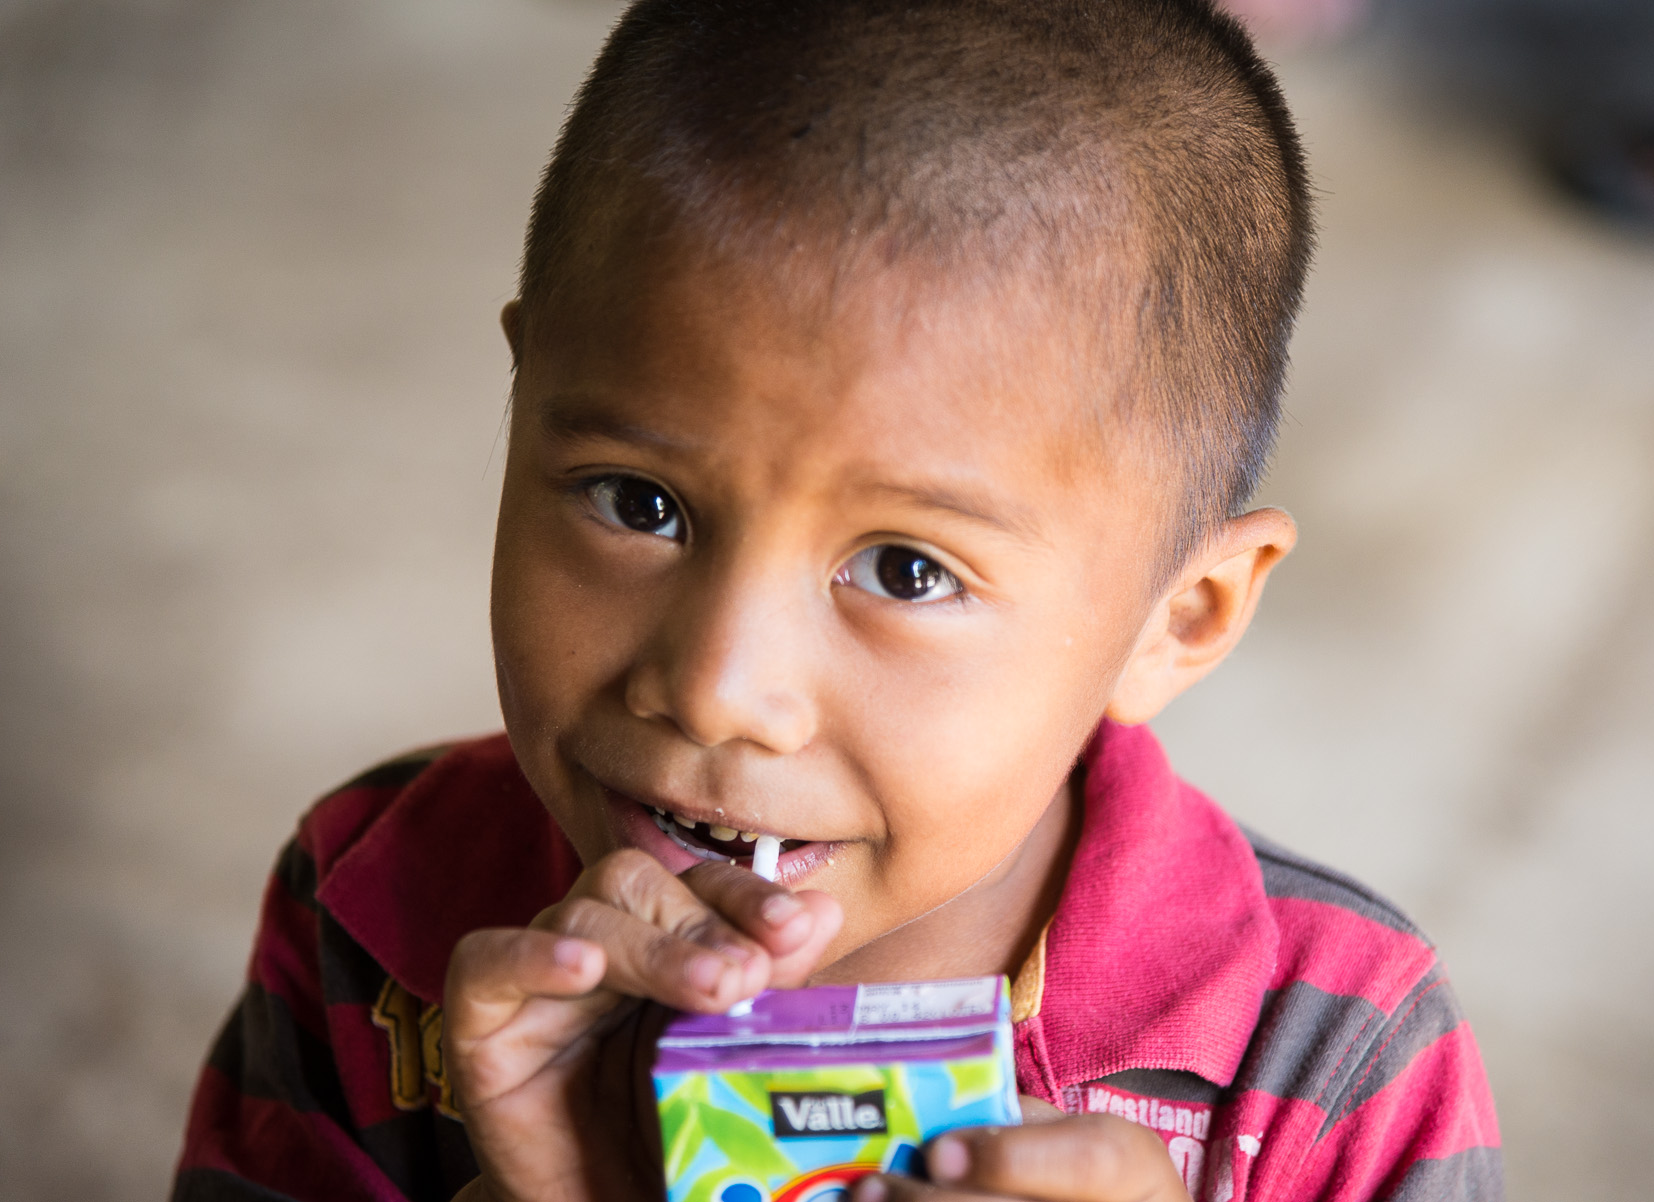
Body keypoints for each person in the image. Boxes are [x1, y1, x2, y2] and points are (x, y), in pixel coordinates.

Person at [169, 3, 1501, 1200]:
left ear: (1180, 616)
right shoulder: (381, 903)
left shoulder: (1332, 1053)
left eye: (909, 570)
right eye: (639, 502)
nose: (716, 688)